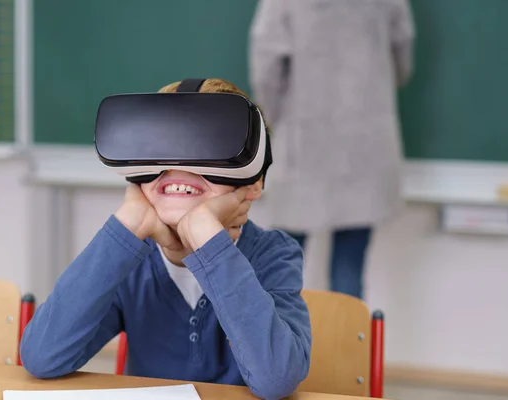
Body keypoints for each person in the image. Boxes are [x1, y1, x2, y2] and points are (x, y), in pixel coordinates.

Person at [20, 79, 312, 400]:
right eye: (159, 146)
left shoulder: (274, 253)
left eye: (207, 146)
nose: (177, 166)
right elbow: (42, 357)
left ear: (253, 183)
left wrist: (206, 236)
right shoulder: (130, 256)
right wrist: (128, 223)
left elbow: (275, 379)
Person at [249, 0, 415, 299]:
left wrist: (271, 119)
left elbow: (267, 67)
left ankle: (280, 346)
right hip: (365, 143)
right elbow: (402, 57)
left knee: (283, 268)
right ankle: (347, 345)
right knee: (349, 269)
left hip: (303, 141)